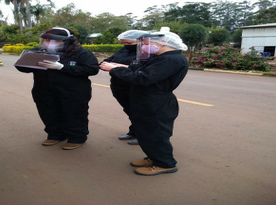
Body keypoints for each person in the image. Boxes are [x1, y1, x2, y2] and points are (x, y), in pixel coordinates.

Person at [100, 28, 189, 176]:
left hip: (156, 102)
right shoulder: (161, 57)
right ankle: (153, 158)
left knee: (155, 134)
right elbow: (139, 68)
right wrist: (122, 66)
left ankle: (165, 164)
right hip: (147, 100)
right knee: (146, 133)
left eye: (148, 43)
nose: (145, 46)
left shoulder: (171, 59)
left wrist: (114, 70)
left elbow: (143, 78)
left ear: (163, 43)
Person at [16, 27, 99, 150]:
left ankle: (77, 137)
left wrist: (62, 67)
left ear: (67, 41)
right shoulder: (39, 51)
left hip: (73, 91)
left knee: (73, 114)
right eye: (47, 40)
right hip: (44, 89)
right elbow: (23, 68)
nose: (49, 43)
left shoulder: (81, 53)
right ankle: (55, 134)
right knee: (48, 113)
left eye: (54, 41)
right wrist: (26, 61)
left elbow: (92, 69)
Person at [100, 30, 150, 145]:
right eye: (124, 43)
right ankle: (134, 131)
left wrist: (120, 67)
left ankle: (144, 136)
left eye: (129, 43)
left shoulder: (145, 53)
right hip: (118, 85)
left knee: (140, 112)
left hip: (134, 86)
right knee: (129, 110)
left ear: (139, 42)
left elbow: (143, 69)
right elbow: (106, 62)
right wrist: (110, 66)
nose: (126, 46)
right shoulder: (123, 50)